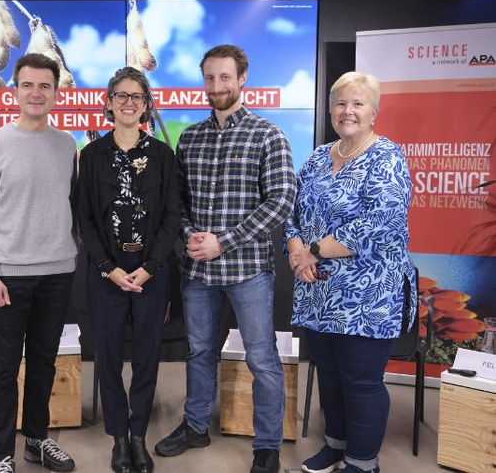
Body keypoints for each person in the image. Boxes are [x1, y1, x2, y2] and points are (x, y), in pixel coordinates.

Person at [154, 44, 296, 473]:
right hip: (198, 270)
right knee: (199, 352)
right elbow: (176, 202)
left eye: (224, 78)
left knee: (261, 358)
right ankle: (196, 425)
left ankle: (267, 445)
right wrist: (189, 236)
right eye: (210, 78)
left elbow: (282, 199)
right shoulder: (190, 137)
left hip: (247, 270)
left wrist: (225, 241)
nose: (216, 86)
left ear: (242, 78)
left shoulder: (267, 135)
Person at [284, 71, 417, 473]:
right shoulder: (317, 157)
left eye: (358, 103)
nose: (348, 111)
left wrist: (309, 253)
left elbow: (381, 222)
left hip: (368, 295)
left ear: (374, 111)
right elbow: (292, 212)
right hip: (318, 291)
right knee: (329, 375)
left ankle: (363, 463)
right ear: (330, 110)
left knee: (361, 382)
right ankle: (335, 447)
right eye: (341, 103)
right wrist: (295, 249)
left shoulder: (388, 157)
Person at [0, 53, 78, 473]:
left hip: (57, 272)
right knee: (3, 368)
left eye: (45, 86)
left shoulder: (67, 144)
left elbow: (70, 205)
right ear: (14, 90)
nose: (36, 93)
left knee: (45, 363)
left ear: (54, 92)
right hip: (8, 277)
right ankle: (2, 456)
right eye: (28, 85)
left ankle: (36, 439)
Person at [79, 67, 180, 473]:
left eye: (136, 96)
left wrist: (151, 267)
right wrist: (108, 268)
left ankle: (139, 436)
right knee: (107, 357)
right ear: (108, 102)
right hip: (106, 271)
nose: (128, 102)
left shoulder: (162, 156)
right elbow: (85, 219)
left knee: (146, 356)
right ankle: (118, 437)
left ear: (146, 105)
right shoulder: (91, 155)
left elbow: (172, 216)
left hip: (151, 272)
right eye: (120, 95)